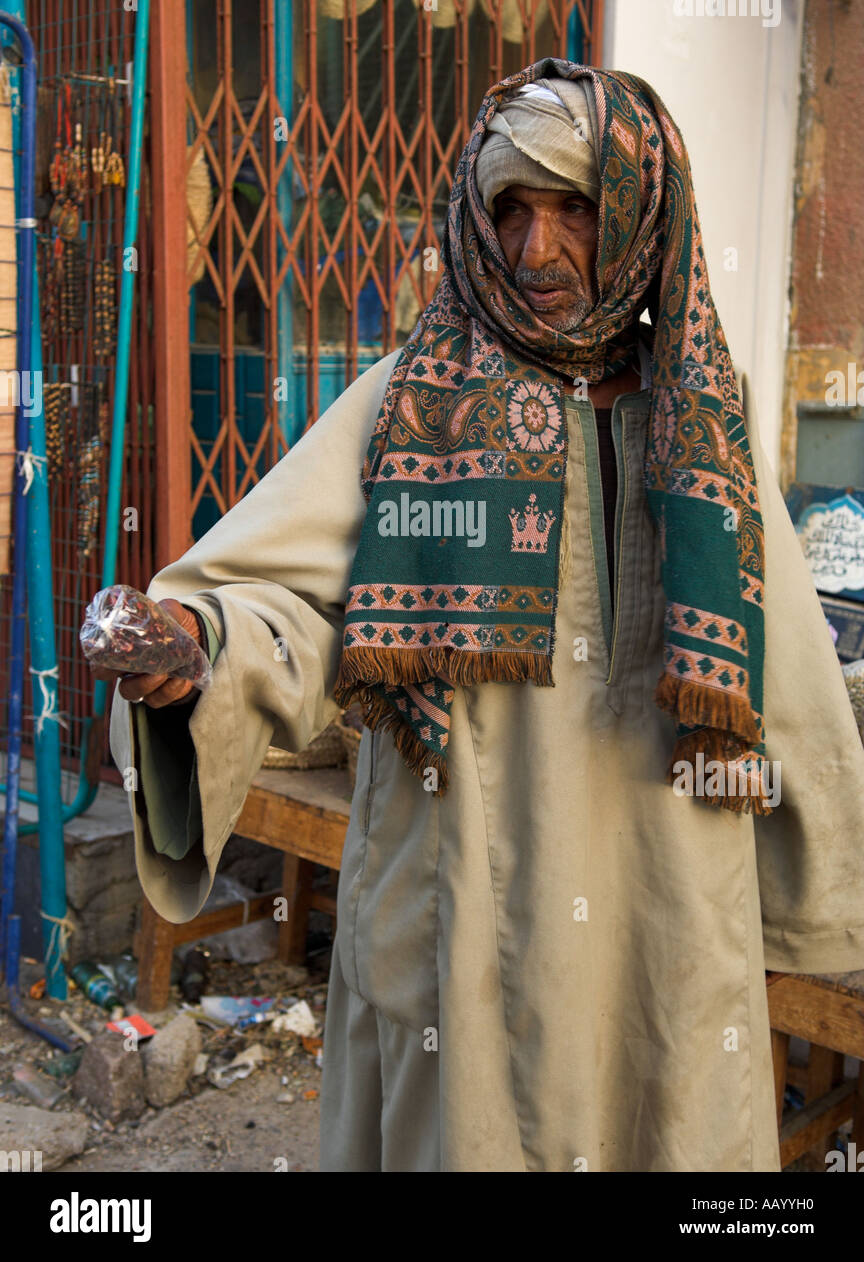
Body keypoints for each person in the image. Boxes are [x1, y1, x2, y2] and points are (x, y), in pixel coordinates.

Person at [93, 59, 864, 1172]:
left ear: (644, 221)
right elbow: (290, 609)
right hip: (461, 911)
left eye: (575, 209)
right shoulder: (411, 404)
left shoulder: (705, 428)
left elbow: (783, 679)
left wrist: (819, 896)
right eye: (511, 208)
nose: (536, 250)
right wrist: (195, 655)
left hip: (665, 908)